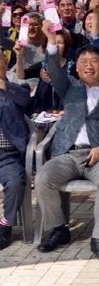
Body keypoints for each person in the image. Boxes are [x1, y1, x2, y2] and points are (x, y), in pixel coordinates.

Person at [34, 21, 99, 262]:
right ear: (76, 69)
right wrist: (51, 39)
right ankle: (59, 229)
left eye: (94, 61)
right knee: (43, 177)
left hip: (98, 155)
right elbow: (54, 69)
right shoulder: (70, 87)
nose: (89, 66)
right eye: (83, 62)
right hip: (67, 152)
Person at [0, 53, 31, 250]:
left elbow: (25, 98)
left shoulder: (16, 88)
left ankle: (5, 225)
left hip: (7, 155)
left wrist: (5, 86)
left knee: (16, 183)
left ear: (5, 63)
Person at [14, 28, 76, 117]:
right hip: (42, 110)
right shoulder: (43, 65)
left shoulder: (73, 66)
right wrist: (19, 56)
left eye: (60, 42)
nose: (56, 45)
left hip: (63, 111)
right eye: (53, 42)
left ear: (66, 46)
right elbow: (21, 75)